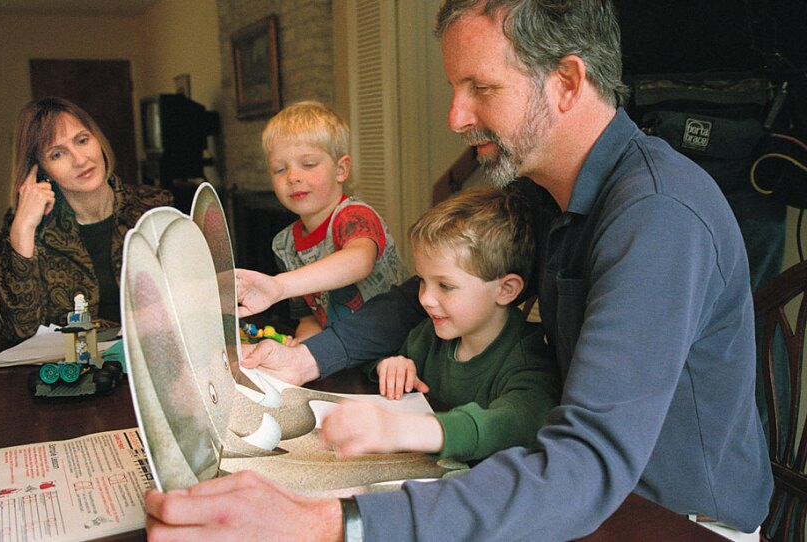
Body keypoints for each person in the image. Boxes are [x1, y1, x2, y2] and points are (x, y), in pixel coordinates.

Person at [145, 1, 773, 541]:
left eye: (481, 88)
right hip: (591, 498)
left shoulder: (656, 216)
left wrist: (331, 523)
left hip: (676, 522)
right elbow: (421, 294)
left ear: (566, 82)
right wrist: (307, 361)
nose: (455, 116)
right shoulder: (547, 191)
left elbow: (587, 463)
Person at [321, 186, 560, 462]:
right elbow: (377, 362)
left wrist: (397, 430)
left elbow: (514, 423)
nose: (425, 299)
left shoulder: (529, 358)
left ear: (506, 289)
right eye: (422, 280)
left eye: (445, 286)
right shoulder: (428, 336)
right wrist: (390, 365)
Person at [0, 97, 172, 341]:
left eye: (82, 140)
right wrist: (22, 230)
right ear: (41, 170)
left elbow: (188, 299)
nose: (80, 159)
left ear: (97, 140)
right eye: (57, 154)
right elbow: (15, 333)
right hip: (72, 371)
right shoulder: (32, 227)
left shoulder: (154, 206)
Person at [236, 100, 408, 342]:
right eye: (279, 169)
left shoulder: (354, 216)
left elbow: (359, 260)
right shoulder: (285, 245)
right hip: (345, 354)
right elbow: (311, 320)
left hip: (399, 350)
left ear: (340, 169)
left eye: (308, 164)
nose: (293, 177)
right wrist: (300, 351)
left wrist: (279, 286)